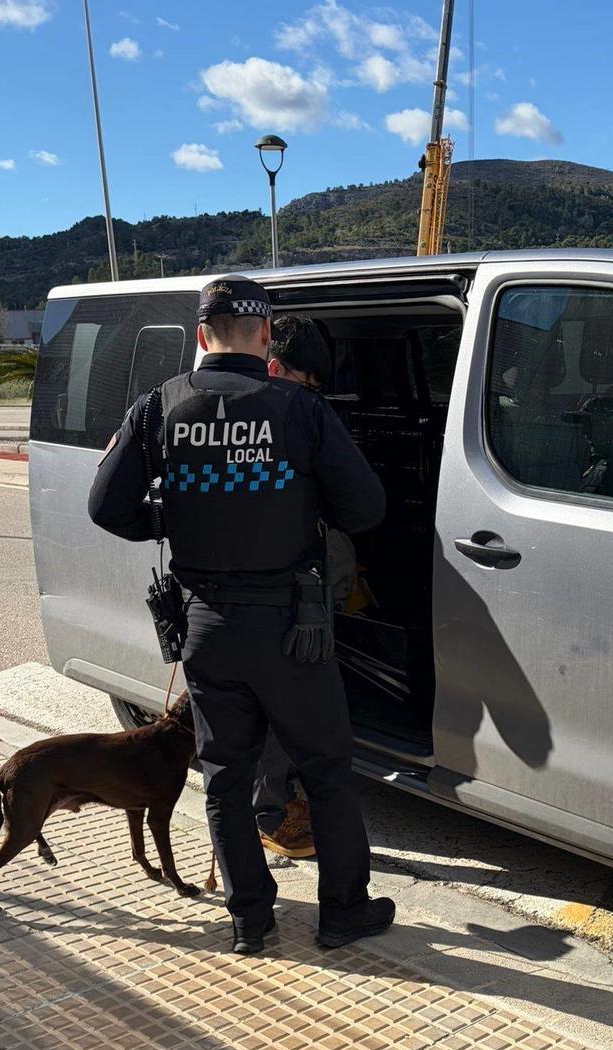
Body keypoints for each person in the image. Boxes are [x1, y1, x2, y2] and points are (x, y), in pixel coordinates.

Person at [87, 277, 395, 955]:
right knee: (325, 770)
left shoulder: (158, 406)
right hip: (292, 628)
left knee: (226, 777)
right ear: (265, 336)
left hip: (204, 624)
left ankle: (250, 921)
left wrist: (172, 520)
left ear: (202, 336)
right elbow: (366, 508)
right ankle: (342, 911)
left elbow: (106, 508)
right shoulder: (300, 410)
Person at [251, 314, 361, 861]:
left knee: (264, 707)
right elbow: (364, 506)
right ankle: (271, 813)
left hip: (250, 591)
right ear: (274, 367)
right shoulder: (285, 420)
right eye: (305, 383)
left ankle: (264, 809)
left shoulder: (200, 409)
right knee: (281, 710)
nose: (311, 397)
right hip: (284, 591)